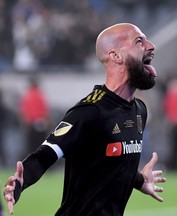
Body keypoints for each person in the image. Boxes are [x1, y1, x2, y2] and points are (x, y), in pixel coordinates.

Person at [3, 23, 166, 216]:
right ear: (116, 56)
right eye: (139, 41)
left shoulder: (139, 110)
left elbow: (113, 164)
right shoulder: (91, 111)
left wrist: (139, 181)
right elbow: (46, 154)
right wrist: (20, 182)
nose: (151, 45)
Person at [19, 76, 49, 157]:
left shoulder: (27, 95)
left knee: (31, 146)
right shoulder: (40, 95)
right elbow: (45, 111)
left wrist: (24, 124)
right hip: (40, 123)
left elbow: (23, 111)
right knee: (41, 145)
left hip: (31, 123)